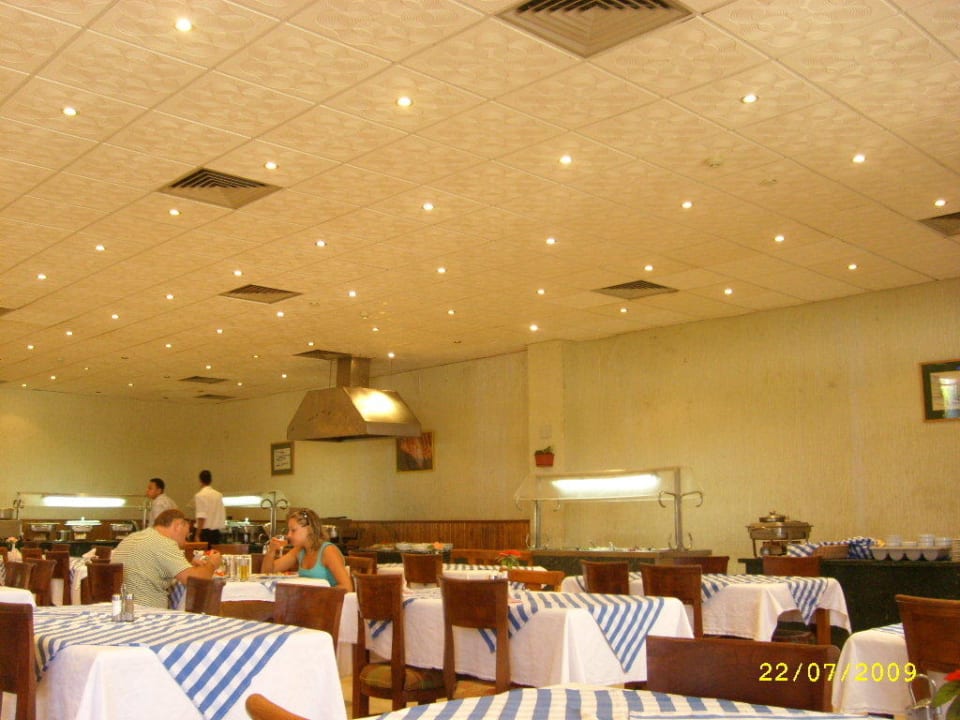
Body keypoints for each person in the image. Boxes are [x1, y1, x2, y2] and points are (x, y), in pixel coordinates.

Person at [112, 508, 222, 608]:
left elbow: (151, 570)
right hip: (147, 611)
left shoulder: (133, 538)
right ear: (178, 526)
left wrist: (190, 567)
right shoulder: (164, 543)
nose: (186, 541)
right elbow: (195, 582)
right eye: (187, 535)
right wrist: (212, 563)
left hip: (121, 608)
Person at [262, 508, 352, 590]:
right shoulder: (299, 550)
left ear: (309, 529)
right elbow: (267, 573)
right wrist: (271, 551)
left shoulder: (328, 551)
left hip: (330, 601)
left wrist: (316, 595)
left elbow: (347, 587)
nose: (289, 535)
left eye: (293, 530)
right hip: (309, 600)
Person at [193, 469, 225, 544]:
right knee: (214, 551)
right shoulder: (218, 495)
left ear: (200, 480)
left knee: (202, 551)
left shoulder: (200, 495)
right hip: (216, 533)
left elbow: (201, 517)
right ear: (211, 480)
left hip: (204, 533)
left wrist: (197, 534)